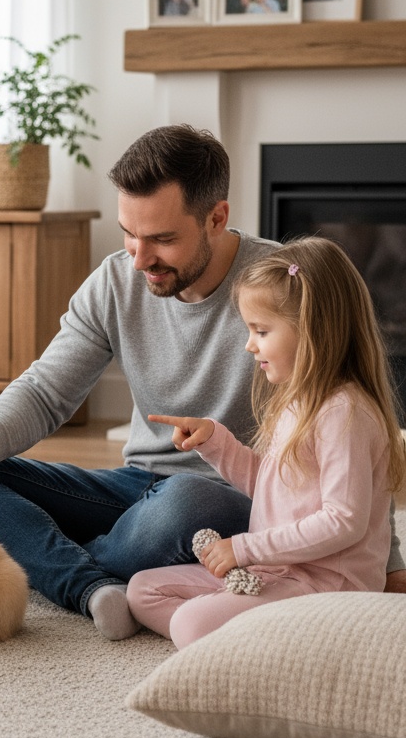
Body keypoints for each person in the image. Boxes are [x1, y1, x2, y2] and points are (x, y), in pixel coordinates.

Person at [0, 125, 406, 640]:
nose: (140, 258)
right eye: (130, 233)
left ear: (217, 217)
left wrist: (387, 563)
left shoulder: (278, 289)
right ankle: (91, 585)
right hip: (132, 488)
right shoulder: (116, 280)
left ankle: (47, 556)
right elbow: (46, 388)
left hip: (220, 501)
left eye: (162, 239)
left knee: (186, 500)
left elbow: (353, 441)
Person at [128, 238, 406, 647]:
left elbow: (344, 520)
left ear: (312, 330)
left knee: (190, 623)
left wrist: (244, 549)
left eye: (260, 330)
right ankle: (250, 632)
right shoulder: (299, 401)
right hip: (278, 572)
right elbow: (272, 488)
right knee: (142, 589)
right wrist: (216, 443)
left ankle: (268, 642)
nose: (249, 344)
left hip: (326, 587)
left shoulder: (343, 412)